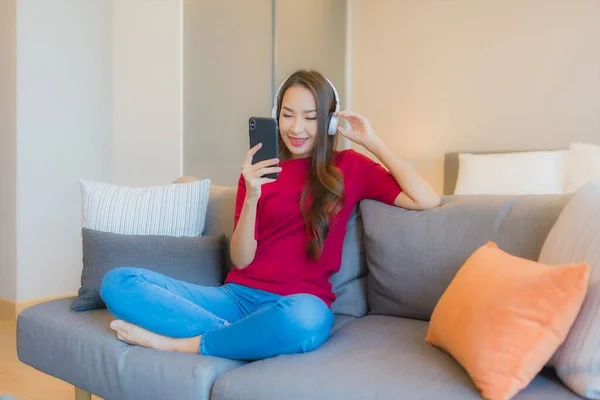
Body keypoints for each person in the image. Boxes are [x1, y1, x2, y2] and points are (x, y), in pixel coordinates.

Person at [100, 70, 441, 361]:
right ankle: (240, 339)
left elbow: (426, 198)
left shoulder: (349, 168)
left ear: (330, 121)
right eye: (288, 114)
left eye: (311, 117)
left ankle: (179, 345)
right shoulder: (258, 171)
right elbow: (242, 260)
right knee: (118, 283)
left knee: (307, 320)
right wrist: (251, 195)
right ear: (276, 115)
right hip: (235, 299)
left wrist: (373, 142)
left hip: (297, 304)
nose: (297, 127)